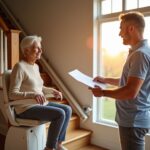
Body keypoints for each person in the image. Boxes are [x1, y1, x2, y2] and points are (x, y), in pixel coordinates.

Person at [89, 11, 150, 150]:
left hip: (132, 121)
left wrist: (102, 93)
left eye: (121, 28)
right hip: (135, 120)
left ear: (131, 29)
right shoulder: (141, 51)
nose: (119, 33)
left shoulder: (140, 55)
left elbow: (130, 91)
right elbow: (130, 82)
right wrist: (105, 80)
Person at [9, 35, 72, 150]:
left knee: (67, 109)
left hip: (38, 104)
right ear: (26, 50)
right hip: (25, 108)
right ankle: (49, 148)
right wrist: (33, 95)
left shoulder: (36, 67)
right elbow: (12, 94)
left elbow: (39, 87)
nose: (41, 51)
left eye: (40, 48)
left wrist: (52, 91)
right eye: (37, 48)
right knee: (59, 114)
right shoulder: (19, 67)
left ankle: (58, 144)